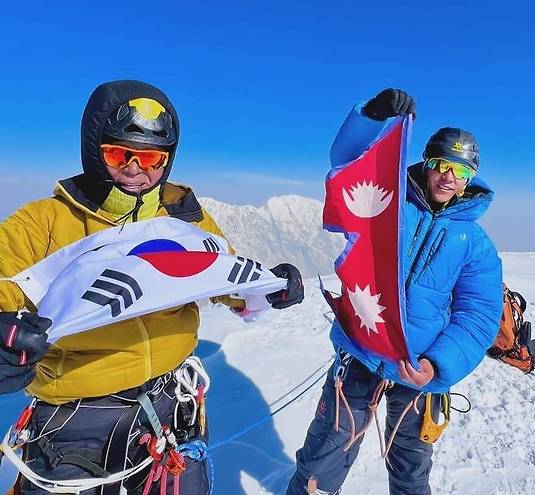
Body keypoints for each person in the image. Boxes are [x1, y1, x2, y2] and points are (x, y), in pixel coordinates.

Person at [0, 80, 304, 494]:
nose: (136, 169)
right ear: (94, 149)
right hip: (77, 413)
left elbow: (220, 270)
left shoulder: (183, 220)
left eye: (152, 159)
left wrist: (267, 286)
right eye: (118, 153)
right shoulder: (46, 222)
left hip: (169, 402)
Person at [287, 88, 503, 495]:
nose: (448, 177)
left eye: (461, 171)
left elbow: (478, 315)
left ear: (470, 178)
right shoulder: (386, 199)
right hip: (362, 349)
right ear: (427, 162)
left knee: (410, 470)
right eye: (441, 164)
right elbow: (346, 163)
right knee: (321, 461)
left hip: (418, 368)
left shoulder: (475, 244)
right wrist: (372, 115)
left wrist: (437, 367)